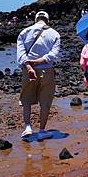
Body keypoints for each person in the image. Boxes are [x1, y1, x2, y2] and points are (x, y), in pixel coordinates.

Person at [16, 11, 61, 139]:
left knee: (26, 100)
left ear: (36, 19)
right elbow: (52, 56)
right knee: (45, 101)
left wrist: (30, 66)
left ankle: (28, 127)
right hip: (47, 70)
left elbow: (21, 54)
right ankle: (41, 130)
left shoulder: (24, 32)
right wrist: (38, 61)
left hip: (28, 70)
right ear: (48, 20)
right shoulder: (55, 34)